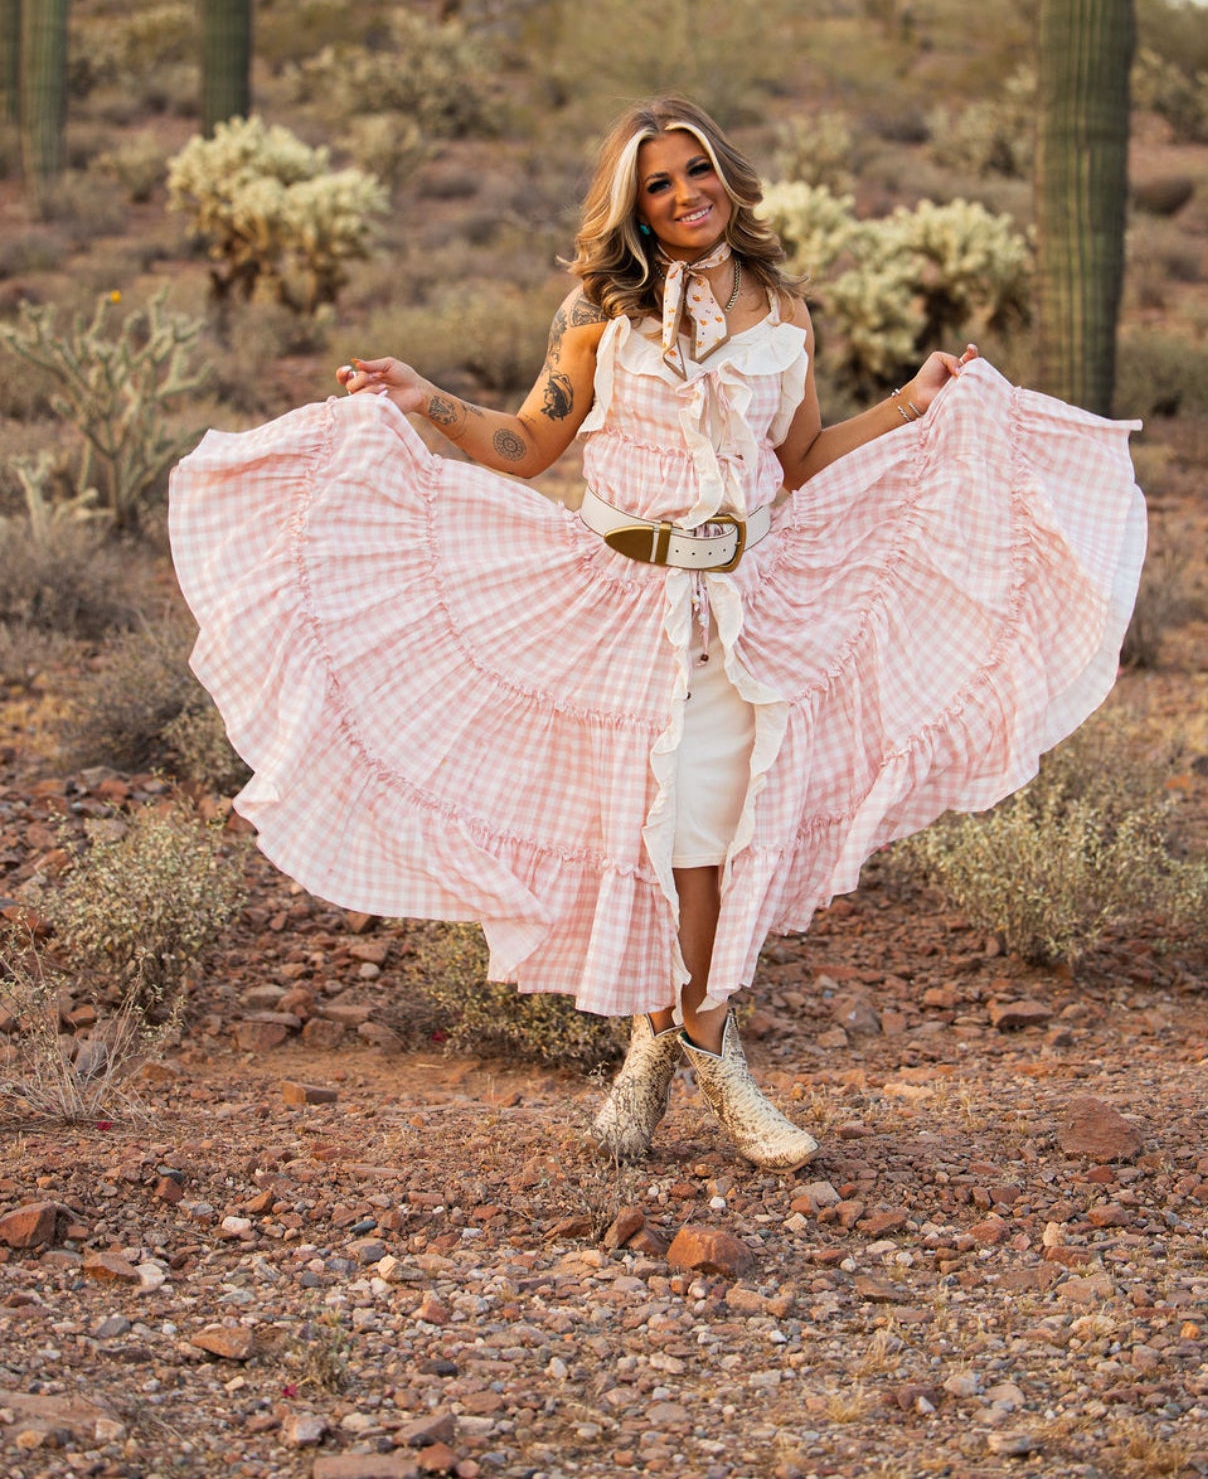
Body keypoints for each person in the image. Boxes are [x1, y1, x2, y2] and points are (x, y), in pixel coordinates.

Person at [169, 95, 1145, 1175]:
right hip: (621, 604)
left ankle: (704, 1053)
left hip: (749, 605)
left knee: (720, 841)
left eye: (696, 172)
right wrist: (424, 398)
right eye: (659, 184)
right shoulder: (598, 311)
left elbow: (807, 456)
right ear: (634, 206)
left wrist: (915, 404)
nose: (685, 196)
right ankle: (657, 1045)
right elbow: (528, 444)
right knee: (650, 837)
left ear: (727, 173)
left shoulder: (783, 308)